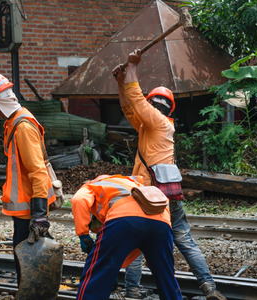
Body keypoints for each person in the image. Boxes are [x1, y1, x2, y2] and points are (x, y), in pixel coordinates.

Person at [112, 50, 227, 300]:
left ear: (152, 103)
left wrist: (132, 66)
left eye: (149, 102)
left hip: (149, 195)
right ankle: (209, 287)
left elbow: (135, 98)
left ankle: (131, 289)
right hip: (168, 192)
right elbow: (128, 106)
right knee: (184, 240)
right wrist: (121, 81)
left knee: (136, 240)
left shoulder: (155, 122)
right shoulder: (153, 126)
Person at [0, 73, 56, 285]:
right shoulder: (14, 123)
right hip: (25, 209)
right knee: (26, 261)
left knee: (27, 263)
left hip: (30, 210)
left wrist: (39, 216)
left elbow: (38, 171)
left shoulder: (22, 127)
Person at [71, 174, 182, 300]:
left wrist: (83, 234)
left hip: (124, 217)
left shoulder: (91, 185)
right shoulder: (130, 184)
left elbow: (78, 200)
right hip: (162, 221)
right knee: (166, 276)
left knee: (97, 272)